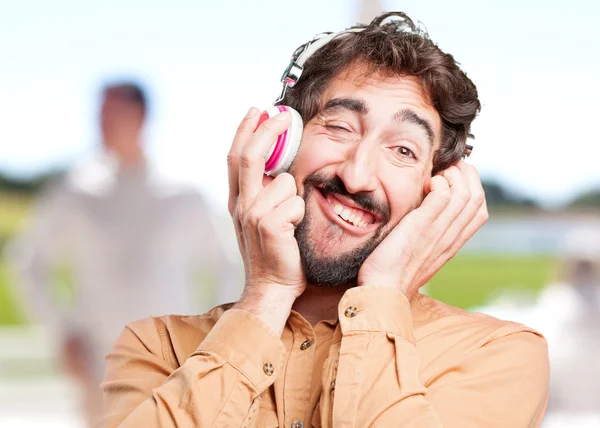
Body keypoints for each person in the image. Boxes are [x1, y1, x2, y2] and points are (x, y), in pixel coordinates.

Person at [100, 13, 549, 427]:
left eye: (403, 150)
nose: (355, 176)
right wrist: (267, 296)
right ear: (279, 144)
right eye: (339, 127)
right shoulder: (155, 348)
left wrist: (382, 292)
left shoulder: (501, 355)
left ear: (435, 192)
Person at [6, 82, 240, 425]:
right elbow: (28, 263)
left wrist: (208, 339)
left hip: (174, 369)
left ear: (141, 115)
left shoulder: (183, 195)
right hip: (99, 367)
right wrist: (61, 332)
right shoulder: (75, 192)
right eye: (99, 112)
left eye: (110, 111)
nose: (100, 122)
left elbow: (228, 268)